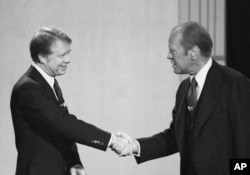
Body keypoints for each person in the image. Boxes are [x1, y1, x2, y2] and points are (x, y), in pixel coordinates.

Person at [112, 22, 250, 175]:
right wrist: (135, 146)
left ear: (193, 52)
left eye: (173, 51)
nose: (168, 56)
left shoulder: (234, 84)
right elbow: (175, 137)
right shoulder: (184, 88)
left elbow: (245, 144)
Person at [10, 26, 127, 175]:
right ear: (43, 57)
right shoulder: (27, 89)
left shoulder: (49, 81)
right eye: (62, 55)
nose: (68, 60)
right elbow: (62, 123)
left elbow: (62, 131)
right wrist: (111, 140)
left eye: (68, 53)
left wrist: (74, 162)